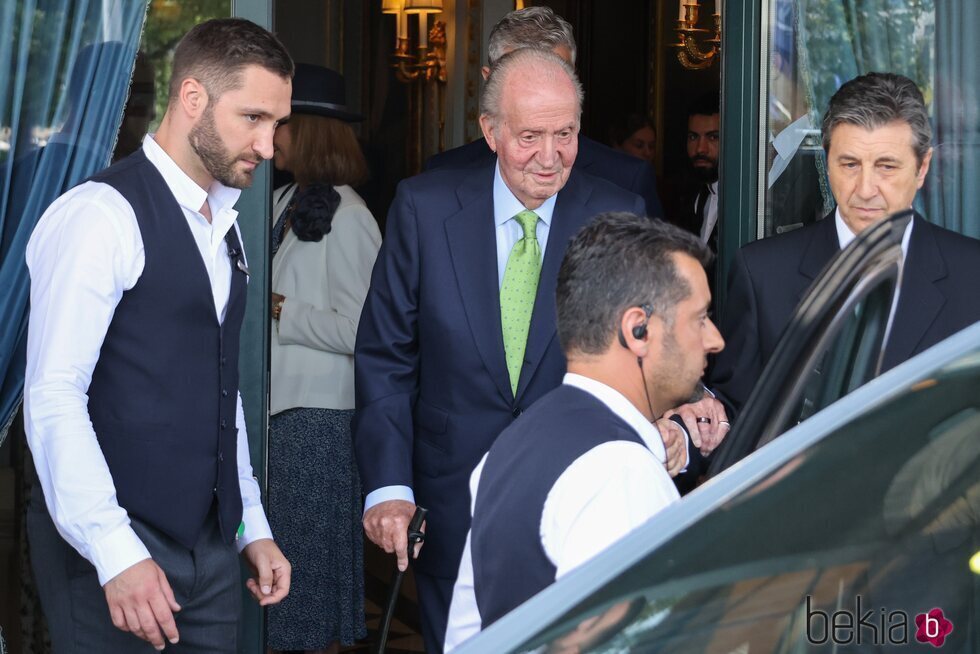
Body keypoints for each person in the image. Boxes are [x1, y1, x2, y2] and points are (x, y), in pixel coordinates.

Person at [354, 48, 671, 653]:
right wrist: (389, 486)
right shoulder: (424, 209)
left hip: (577, 501)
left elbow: (643, 359)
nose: (550, 157)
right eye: (529, 136)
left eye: (566, 134)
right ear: (490, 130)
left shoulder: (617, 217)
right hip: (448, 504)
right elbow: (385, 357)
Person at [24, 18, 293, 652]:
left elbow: (220, 389)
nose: (270, 144)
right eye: (253, 118)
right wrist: (116, 553)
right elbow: (53, 396)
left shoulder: (224, 225)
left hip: (212, 556)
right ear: (193, 98)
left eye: (277, 124)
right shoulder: (99, 217)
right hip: (108, 552)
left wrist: (250, 524)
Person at [443, 213, 724, 650]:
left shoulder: (515, 442)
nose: (715, 339)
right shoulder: (620, 471)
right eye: (700, 318)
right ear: (638, 329)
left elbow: (467, 629)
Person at [710, 72, 980, 416]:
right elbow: (733, 414)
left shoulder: (973, 275)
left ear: (922, 167)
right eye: (850, 164)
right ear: (826, 161)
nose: (865, 189)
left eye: (886, 166)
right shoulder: (762, 273)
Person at [267, 63, 380, 654]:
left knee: (308, 581)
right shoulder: (284, 198)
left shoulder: (353, 215)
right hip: (283, 421)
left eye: (280, 122)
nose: (270, 136)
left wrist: (286, 311)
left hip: (318, 422)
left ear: (308, 131)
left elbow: (368, 332)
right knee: (285, 580)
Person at [423, 6, 664, 220]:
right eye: (521, 78)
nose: (541, 93)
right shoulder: (441, 177)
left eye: (555, 75)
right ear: (489, 80)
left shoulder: (627, 182)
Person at [668, 92, 721, 251]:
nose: (700, 149)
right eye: (693, 137)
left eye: (712, 137)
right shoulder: (686, 195)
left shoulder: (749, 201)